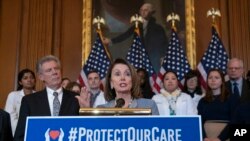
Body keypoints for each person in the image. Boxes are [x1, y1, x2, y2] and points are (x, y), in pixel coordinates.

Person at [14, 55, 81, 141]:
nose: (54, 72)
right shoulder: (29, 101)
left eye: (56, 68)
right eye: (49, 70)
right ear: (41, 77)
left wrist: (86, 109)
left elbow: (85, 130)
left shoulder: (76, 98)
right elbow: (20, 136)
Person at [103, 3, 167, 72]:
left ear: (151, 12)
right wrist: (110, 41)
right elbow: (125, 35)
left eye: (146, 10)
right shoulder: (137, 26)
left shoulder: (158, 28)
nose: (143, 12)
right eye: (141, 10)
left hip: (153, 58)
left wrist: (163, 56)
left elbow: (163, 43)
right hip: (139, 57)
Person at [197, 69, 239, 141]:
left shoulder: (232, 99)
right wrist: (204, 138)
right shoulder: (202, 101)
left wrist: (220, 138)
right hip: (207, 138)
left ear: (222, 81)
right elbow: (199, 122)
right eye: (210, 78)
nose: (213, 80)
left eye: (216, 78)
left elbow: (235, 121)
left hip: (226, 137)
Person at [5, 68, 36, 135]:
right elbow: (10, 116)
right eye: (25, 78)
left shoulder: (39, 96)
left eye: (31, 78)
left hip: (35, 130)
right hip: (16, 131)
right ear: (20, 82)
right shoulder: (13, 95)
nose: (29, 80)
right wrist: (21, 132)